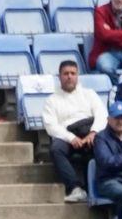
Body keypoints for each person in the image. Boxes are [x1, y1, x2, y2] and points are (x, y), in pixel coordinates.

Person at [42, 61, 107, 205]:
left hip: (90, 130)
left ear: (78, 76)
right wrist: (71, 138)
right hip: (67, 134)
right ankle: (75, 188)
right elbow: (51, 126)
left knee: (104, 143)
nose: (69, 77)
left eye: (73, 73)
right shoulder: (51, 101)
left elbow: (102, 114)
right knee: (56, 149)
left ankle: (100, 187)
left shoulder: (89, 94)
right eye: (66, 74)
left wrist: (93, 132)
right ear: (59, 77)